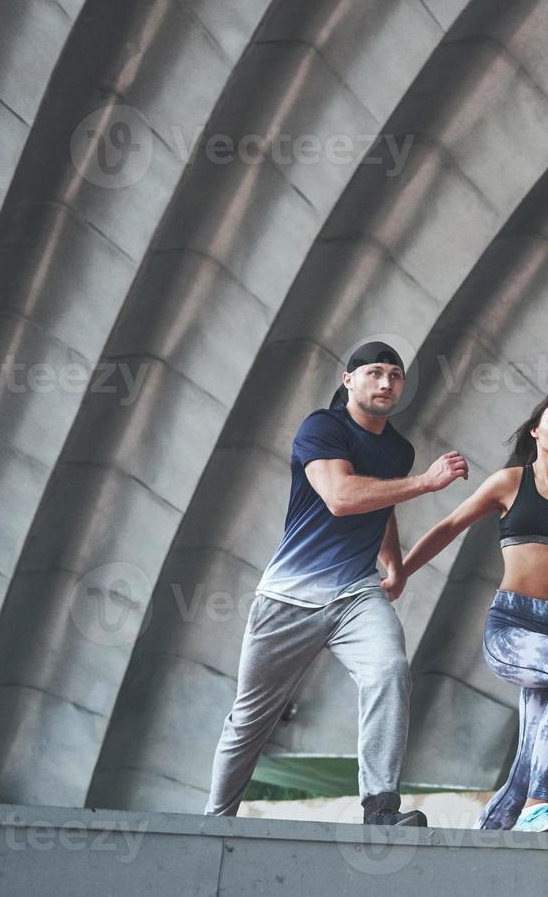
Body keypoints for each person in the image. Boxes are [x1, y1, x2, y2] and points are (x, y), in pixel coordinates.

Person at [203, 342, 469, 826]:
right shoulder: (322, 427)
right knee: (250, 719)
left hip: (355, 594)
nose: (386, 383)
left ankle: (380, 808)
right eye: (374, 373)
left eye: (395, 375)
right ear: (349, 381)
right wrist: (426, 483)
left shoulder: (397, 449)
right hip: (290, 596)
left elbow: (379, 504)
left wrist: (394, 562)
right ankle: (214, 822)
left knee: (388, 669)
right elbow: (342, 497)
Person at [399, 391, 548, 832]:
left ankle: (491, 834)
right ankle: (537, 806)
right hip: (514, 627)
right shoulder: (509, 482)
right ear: (536, 430)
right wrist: (401, 572)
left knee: (530, 753)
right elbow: (450, 526)